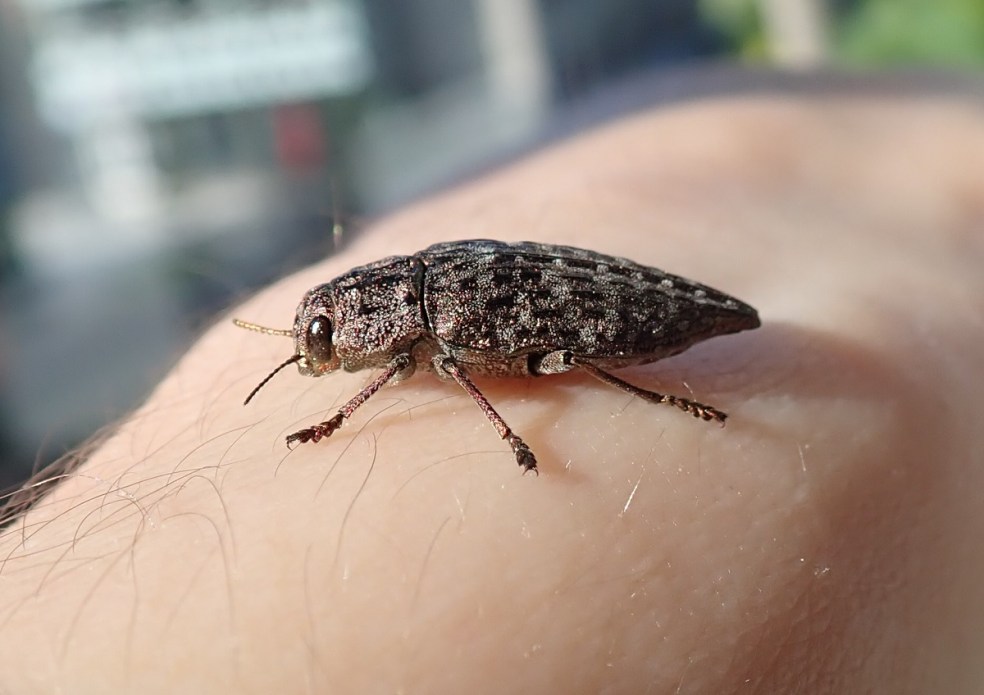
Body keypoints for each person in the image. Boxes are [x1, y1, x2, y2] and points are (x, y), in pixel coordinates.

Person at [0, 91, 982, 693]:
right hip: (566, 287)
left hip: (610, 317)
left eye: (327, 340)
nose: (324, 352)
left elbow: (446, 363)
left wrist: (358, 416)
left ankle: (662, 399)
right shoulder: (419, 300)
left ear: (369, 315)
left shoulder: (441, 328)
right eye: (321, 339)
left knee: (560, 357)